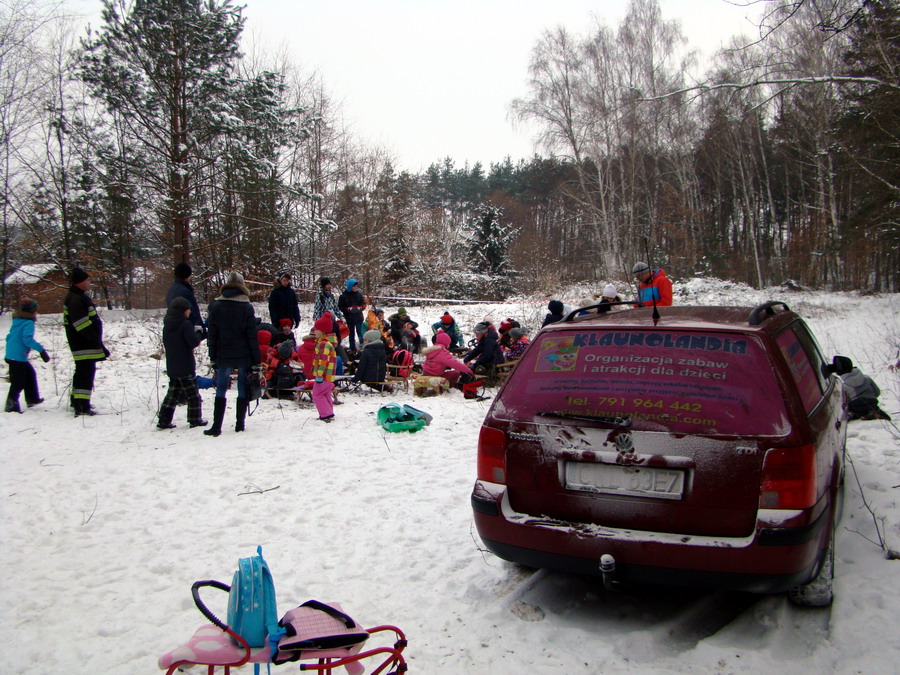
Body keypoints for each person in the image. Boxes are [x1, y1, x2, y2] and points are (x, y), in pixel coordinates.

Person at [204, 271, 261, 436]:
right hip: (243, 354)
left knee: (221, 388)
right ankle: (239, 425)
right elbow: (252, 336)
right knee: (242, 388)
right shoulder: (246, 307)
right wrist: (256, 359)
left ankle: (216, 426)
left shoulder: (216, 306)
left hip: (223, 353)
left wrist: (212, 355)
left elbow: (212, 334)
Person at [156, 296, 207, 430]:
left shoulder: (167, 324)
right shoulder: (185, 324)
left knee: (173, 394)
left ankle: (164, 420)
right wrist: (199, 334)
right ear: (183, 310)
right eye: (188, 309)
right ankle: (195, 419)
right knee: (193, 395)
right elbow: (192, 342)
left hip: (173, 364)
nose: (189, 311)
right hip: (185, 364)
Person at [64, 267, 109, 416]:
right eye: (87, 280)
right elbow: (81, 325)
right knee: (85, 374)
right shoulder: (76, 299)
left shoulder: (77, 296)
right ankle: (82, 405)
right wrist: (95, 340)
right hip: (83, 344)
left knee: (83, 372)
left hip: (83, 344)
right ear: (80, 282)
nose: (89, 282)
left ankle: (77, 401)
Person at [5, 299, 49, 413]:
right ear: (32, 311)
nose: (37, 312)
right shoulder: (28, 322)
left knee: (30, 374)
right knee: (18, 382)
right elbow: (27, 340)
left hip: (13, 354)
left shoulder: (17, 320)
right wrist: (41, 351)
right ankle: (11, 405)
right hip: (17, 357)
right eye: (36, 310)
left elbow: (9, 336)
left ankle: (32, 398)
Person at [166, 262, 205, 335]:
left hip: (174, 330)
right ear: (187, 275)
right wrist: (199, 330)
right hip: (186, 331)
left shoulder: (171, 290)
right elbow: (192, 313)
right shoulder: (185, 292)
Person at [311, 315, 338, 422]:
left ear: (322, 331)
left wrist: (319, 374)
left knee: (317, 394)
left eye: (316, 329)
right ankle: (329, 412)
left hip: (323, 375)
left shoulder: (323, 344)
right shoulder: (326, 343)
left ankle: (325, 414)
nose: (314, 331)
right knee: (325, 393)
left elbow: (323, 361)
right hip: (328, 375)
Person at [338, 278, 367, 353]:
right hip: (350, 318)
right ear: (350, 286)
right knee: (351, 334)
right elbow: (340, 306)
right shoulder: (343, 296)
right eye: (354, 286)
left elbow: (363, 303)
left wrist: (360, 308)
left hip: (358, 317)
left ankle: (362, 346)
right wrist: (348, 309)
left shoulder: (359, 294)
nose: (355, 287)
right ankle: (352, 348)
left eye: (356, 286)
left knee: (360, 332)